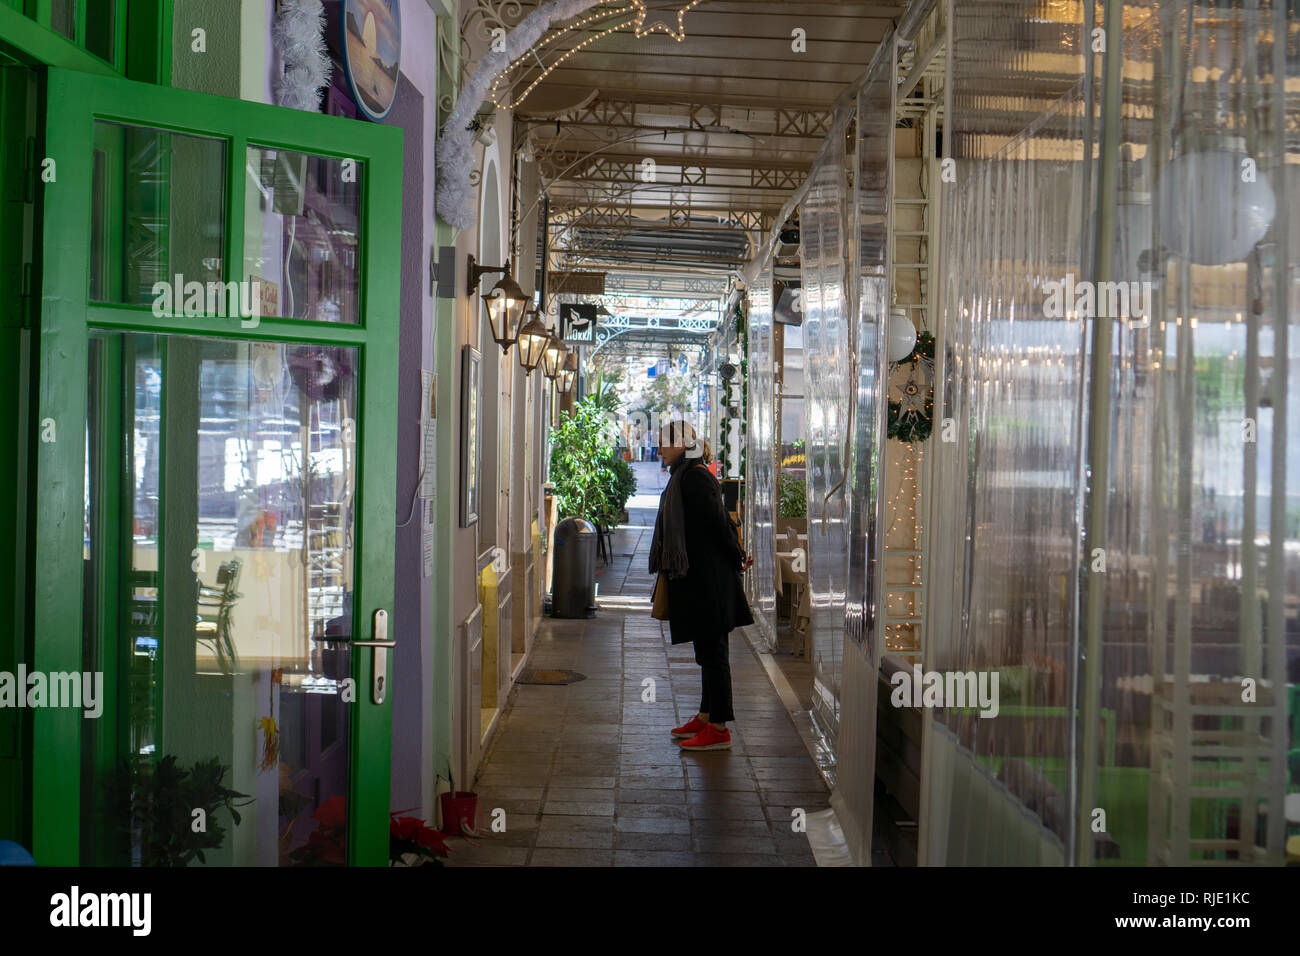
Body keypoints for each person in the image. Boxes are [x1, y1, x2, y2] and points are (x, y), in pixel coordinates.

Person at [648, 420, 754, 751]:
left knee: (714, 653)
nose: (659, 449)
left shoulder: (694, 477)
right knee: (705, 652)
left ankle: (719, 728)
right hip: (698, 579)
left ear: (682, 443)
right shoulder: (685, 475)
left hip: (711, 580)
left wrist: (737, 556)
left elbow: (719, 524)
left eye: (664, 443)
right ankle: (707, 714)